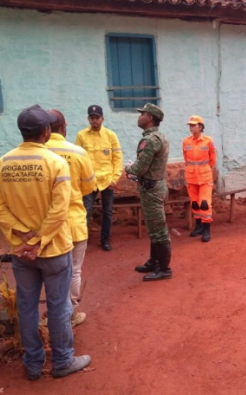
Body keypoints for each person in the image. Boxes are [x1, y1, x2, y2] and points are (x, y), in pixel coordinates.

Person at [0, 104, 91, 380]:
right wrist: (40, 239)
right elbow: (59, 210)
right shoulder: (55, 163)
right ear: (47, 131)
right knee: (59, 306)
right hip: (54, 249)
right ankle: (62, 361)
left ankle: (33, 364)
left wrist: (22, 234)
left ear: (22, 131)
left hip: (21, 252)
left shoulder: (2, 163)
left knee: (27, 305)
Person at [47, 110, 96, 327]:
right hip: (74, 221)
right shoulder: (78, 152)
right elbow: (89, 186)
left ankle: (54, 312)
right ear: (64, 127)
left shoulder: (38, 154)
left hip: (46, 226)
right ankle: (72, 313)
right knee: (74, 270)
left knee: (50, 272)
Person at [126, 103, 172, 281]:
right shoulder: (159, 137)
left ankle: (164, 269)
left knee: (159, 230)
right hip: (155, 186)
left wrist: (129, 168)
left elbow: (141, 167)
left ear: (150, 118)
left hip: (152, 190)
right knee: (154, 228)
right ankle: (154, 261)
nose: (139, 116)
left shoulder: (150, 140)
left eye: (142, 114)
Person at [76, 105, 122, 251]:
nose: (94, 120)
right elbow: (78, 159)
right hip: (89, 181)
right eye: (92, 117)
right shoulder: (81, 136)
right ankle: (82, 241)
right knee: (85, 211)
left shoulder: (111, 136)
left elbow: (117, 158)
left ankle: (105, 239)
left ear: (102, 118)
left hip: (107, 180)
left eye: (97, 117)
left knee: (107, 211)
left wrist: (114, 179)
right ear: (88, 118)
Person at [182, 115, 217, 242]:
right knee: (195, 203)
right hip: (191, 177)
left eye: (194, 125)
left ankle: (207, 229)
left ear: (200, 127)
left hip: (205, 177)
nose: (191, 127)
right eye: (190, 125)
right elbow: (186, 158)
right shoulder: (186, 141)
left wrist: (204, 169)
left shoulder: (208, 141)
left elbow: (212, 159)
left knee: (204, 203)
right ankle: (199, 227)